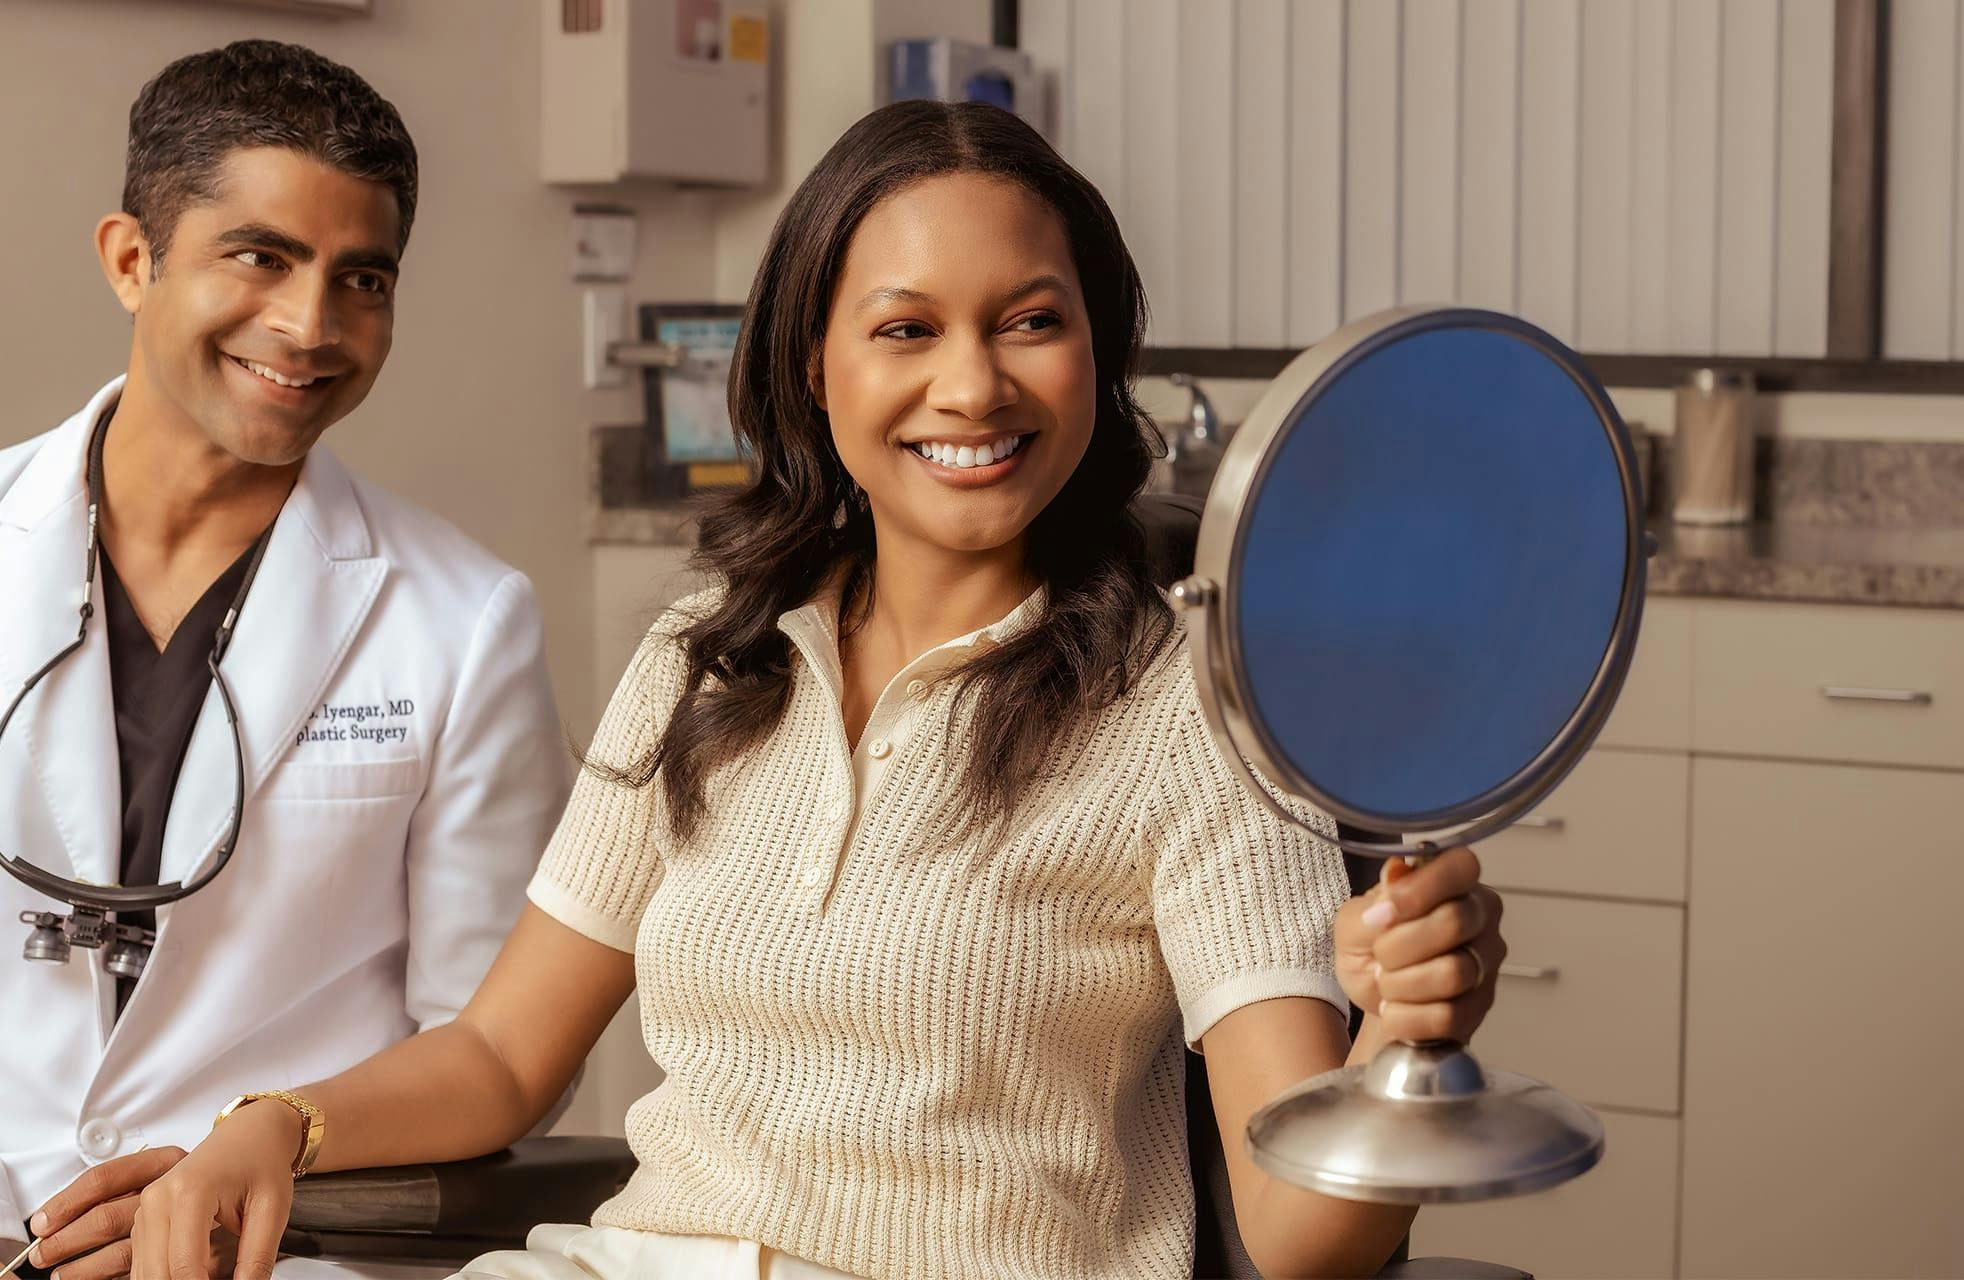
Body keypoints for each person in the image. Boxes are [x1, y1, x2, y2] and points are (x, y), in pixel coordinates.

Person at [46, 99, 1506, 1280]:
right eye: (905, 329)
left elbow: (1298, 1241)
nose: (972, 387)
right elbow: (498, 1053)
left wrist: (1403, 1037)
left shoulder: (1189, 705)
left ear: (1096, 349)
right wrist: (272, 1126)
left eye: (1030, 321)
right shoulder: (710, 648)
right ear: (815, 366)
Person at [5, 41, 567, 1280]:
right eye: (260, 257)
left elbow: (487, 1041)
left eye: (361, 278)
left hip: (271, 1252)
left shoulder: (464, 619)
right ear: (132, 261)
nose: (310, 326)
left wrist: (252, 1170)